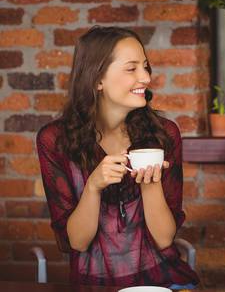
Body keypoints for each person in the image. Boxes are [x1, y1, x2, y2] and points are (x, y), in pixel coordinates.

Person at [36, 26, 199, 289]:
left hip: (161, 280)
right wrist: (93, 186)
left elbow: (164, 238)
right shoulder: (55, 140)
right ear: (97, 79)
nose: (145, 77)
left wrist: (150, 184)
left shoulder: (163, 135)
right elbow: (77, 242)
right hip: (93, 284)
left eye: (146, 67)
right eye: (131, 68)